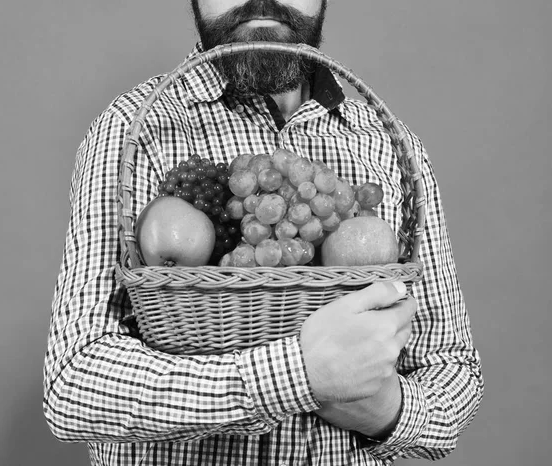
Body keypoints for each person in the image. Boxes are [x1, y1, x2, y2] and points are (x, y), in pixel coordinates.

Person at [43, 0, 484, 464]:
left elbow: (452, 375)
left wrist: (384, 411)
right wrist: (298, 377)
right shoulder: (135, 128)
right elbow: (73, 385)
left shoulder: (388, 143)